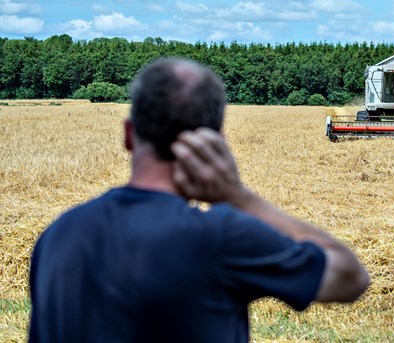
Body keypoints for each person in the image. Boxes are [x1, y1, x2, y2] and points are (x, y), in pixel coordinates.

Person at [28, 58, 370, 343]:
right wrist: (238, 196)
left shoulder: (57, 236)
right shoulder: (222, 238)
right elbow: (350, 276)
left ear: (129, 134)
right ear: (214, 144)